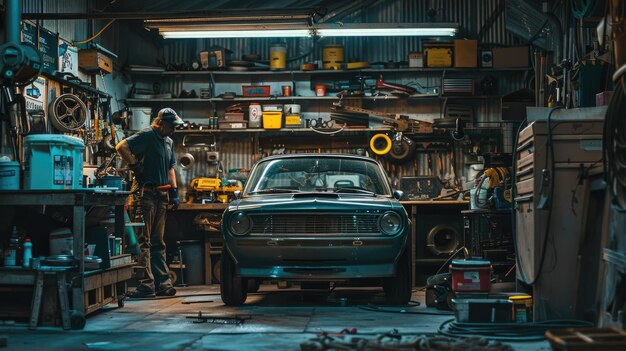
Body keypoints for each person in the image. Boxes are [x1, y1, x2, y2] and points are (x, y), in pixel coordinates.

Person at [115, 107, 183, 297]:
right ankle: (147, 284)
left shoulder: (168, 141)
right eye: (171, 126)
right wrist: (135, 165)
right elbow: (121, 147)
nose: (174, 129)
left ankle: (163, 283)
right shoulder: (147, 135)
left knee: (158, 242)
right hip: (145, 195)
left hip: (162, 196)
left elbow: (171, 169)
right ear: (160, 123)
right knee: (144, 242)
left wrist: (175, 191)